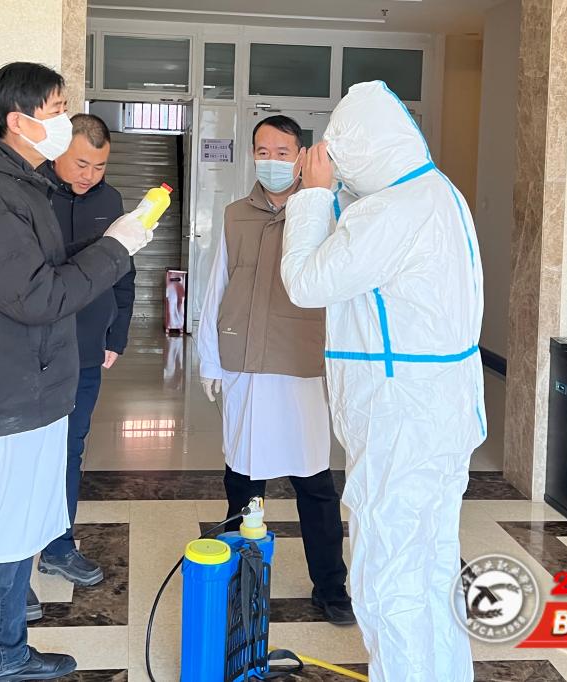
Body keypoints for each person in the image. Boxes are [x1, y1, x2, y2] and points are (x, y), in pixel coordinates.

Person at [0, 62, 153, 682]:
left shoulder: (19, 185)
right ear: (19, 120)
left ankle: (8, 654)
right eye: (56, 110)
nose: (64, 120)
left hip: (27, 393)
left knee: (16, 536)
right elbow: (36, 296)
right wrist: (116, 247)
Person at [280, 80, 486, 681]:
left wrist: (312, 197)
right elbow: (363, 248)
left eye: (339, 156)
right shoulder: (437, 194)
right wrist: (332, 192)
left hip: (402, 417)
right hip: (440, 411)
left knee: (388, 569)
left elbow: (306, 282)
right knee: (432, 561)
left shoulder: (393, 211)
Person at [197, 115, 354, 626]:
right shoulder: (234, 215)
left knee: (314, 483)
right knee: (244, 481)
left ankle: (330, 586)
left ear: (301, 156)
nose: (271, 161)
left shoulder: (327, 211)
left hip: (302, 365)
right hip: (244, 362)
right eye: (262, 151)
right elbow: (217, 286)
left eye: (282, 152)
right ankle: (239, 581)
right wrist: (209, 358)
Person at [35, 114, 134, 587]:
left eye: (99, 166)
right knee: (27, 452)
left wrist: (117, 333)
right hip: (32, 351)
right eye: (81, 164)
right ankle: (13, 565)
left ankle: (59, 546)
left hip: (86, 350)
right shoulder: (29, 193)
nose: (89, 175)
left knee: (71, 448)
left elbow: (124, 269)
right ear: (58, 151)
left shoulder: (110, 201)